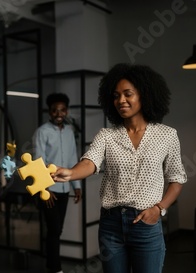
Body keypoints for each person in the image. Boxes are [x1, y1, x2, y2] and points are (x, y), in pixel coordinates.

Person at [52, 63, 187, 273]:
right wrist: (70, 173)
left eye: (128, 94)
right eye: (115, 96)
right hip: (111, 225)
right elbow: (90, 162)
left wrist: (159, 209)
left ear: (145, 95)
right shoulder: (107, 135)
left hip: (147, 224)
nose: (120, 101)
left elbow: (177, 179)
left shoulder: (167, 135)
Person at [33, 92, 82, 273]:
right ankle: (55, 268)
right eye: (55, 110)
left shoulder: (69, 132)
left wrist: (76, 186)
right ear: (50, 112)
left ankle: (50, 264)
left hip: (64, 189)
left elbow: (72, 159)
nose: (59, 113)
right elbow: (38, 162)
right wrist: (44, 189)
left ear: (66, 111)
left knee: (57, 229)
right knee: (54, 229)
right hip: (49, 190)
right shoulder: (42, 132)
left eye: (62, 110)